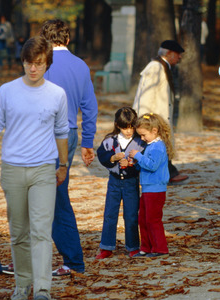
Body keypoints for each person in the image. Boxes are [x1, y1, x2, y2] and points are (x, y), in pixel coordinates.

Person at [0, 35, 69, 300]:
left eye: (38, 63)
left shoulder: (57, 94)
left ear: (47, 64)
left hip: (44, 169)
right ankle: (23, 283)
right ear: (21, 62)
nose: (33, 68)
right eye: (28, 63)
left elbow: (61, 132)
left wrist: (63, 164)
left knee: (41, 231)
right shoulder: (7, 91)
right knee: (19, 231)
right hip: (12, 170)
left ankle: (43, 288)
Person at [41, 19, 97, 276]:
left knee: (53, 198)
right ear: (68, 39)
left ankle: (73, 260)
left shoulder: (43, 64)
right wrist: (87, 142)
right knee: (53, 194)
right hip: (71, 132)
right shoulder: (81, 65)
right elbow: (90, 106)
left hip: (48, 134)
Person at [133, 39, 188, 183]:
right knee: (155, 145)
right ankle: (168, 173)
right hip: (153, 116)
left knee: (161, 144)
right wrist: (144, 120)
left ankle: (169, 172)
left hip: (158, 116)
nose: (179, 57)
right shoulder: (155, 67)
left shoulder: (162, 66)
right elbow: (146, 96)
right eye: (177, 54)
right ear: (169, 53)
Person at [96, 106, 144, 258]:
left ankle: (133, 246)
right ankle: (106, 247)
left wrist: (132, 164)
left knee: (131, 215)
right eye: (124, 128)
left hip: (131, 182)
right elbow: (101, 155)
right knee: (110, 214)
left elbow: (144, 161)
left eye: (131, 127)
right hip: (114, 182)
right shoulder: (110, 141)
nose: (128, 131)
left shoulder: (140, 142)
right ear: (117, 125)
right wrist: (112, 158)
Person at [127, 112, 172, 256]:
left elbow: (152, 165)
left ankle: (160, 248)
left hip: (156, 189)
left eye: (143, 135)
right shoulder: (150, 145)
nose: (142, 138)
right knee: (143, 219)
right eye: (140, 135)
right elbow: (146, 166)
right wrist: (135, 163)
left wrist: (138, 156)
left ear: (154, 131)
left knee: (153, 220)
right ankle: (146, 247)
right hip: (147, 188)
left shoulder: (158, 146)